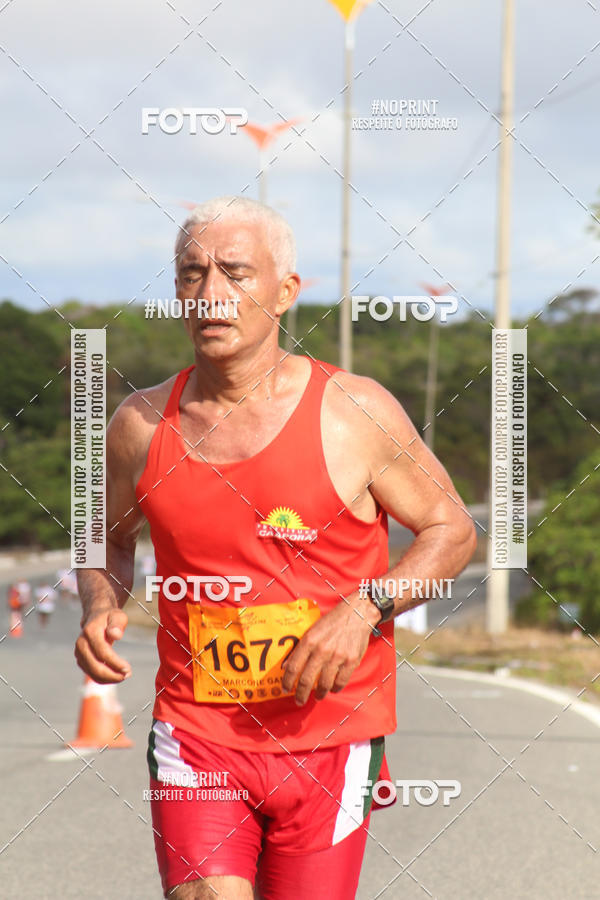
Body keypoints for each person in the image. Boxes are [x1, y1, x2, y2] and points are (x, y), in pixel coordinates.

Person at [75, 196, 476, 900]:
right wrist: (101, 602)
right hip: (197, 728)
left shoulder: (353, 413)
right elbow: (106, 538)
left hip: (330, 735)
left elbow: (453, 530)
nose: (211, 295)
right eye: (191, 274)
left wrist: (364, 608)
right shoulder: (139, 424)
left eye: (235, 272)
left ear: (286, 292)